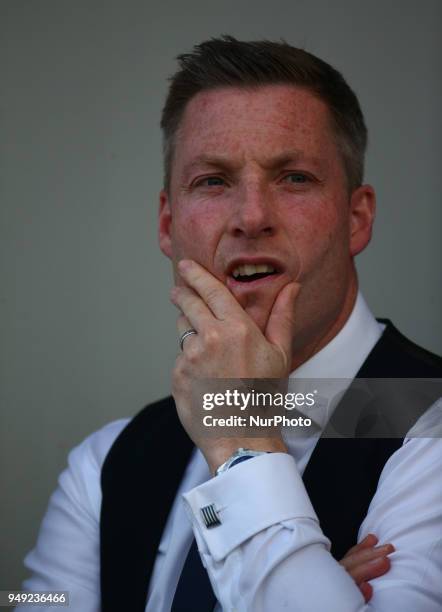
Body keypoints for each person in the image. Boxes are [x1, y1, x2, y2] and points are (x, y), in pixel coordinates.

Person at [19, 37, 442, 611]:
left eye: (293, 177)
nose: (251, 217)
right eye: (213, 181)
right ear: (168, 223)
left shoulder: (432, 432)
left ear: (356, 218)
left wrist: (242, 435)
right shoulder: (104, 463)